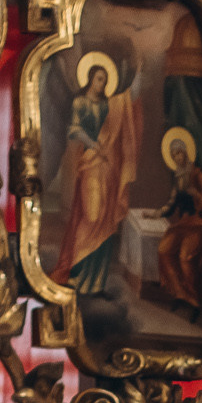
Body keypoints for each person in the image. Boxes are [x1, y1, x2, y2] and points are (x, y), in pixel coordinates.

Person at [52, 56, 141, 296]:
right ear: (90, 78)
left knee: (104, 220)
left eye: (105, 80)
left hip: (109, 168)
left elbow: (122, 119)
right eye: (99, 78)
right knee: (90, 217)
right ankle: (75, 270)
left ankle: (93, 281)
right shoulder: (80, 102)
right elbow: (73, 129)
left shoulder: (110, 106)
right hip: (91, 164)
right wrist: (94, 144)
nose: (101, 84)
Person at [157, 130, 202, 311]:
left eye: (179, 153)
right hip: (186, 223)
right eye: (173, 155)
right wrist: (157, 213)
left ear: (186, 152)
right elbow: (172, 202)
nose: (177, 158)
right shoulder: (179, 176)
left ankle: (194, 296)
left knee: (184, 256)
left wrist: (195, 193)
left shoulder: (198, 175)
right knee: (164, 249)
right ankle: (180, 293)